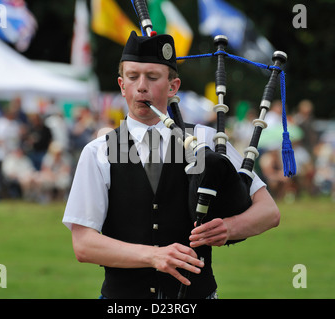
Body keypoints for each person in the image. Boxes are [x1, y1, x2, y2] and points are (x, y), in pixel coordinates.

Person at [62, 31, 280, 299]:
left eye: (153, 77)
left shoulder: (205, 140)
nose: (141, 86)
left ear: (172, 86)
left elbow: (268, 211)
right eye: (132, 77)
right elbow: (83, 245)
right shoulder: (99, 151)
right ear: (121, 85)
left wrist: (230, 227)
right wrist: (153, 256)